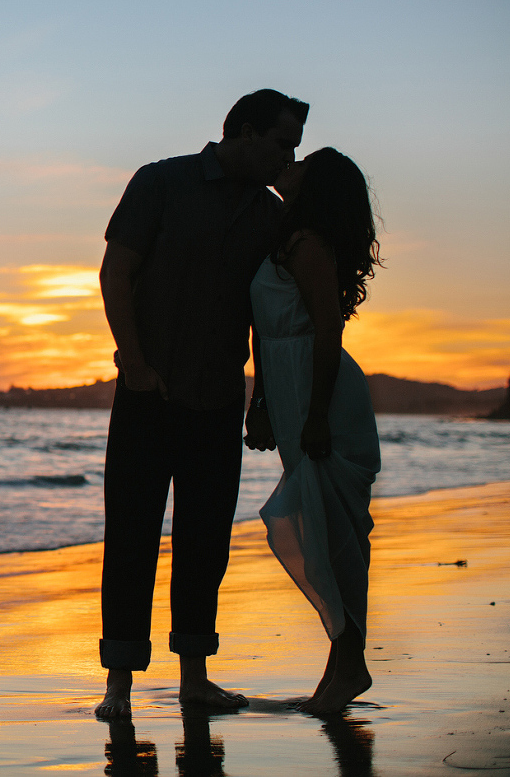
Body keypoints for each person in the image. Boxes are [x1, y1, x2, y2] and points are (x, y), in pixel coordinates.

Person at [96, 89, 308, 719]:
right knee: (130, 539)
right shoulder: (163, 181)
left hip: (218, 401)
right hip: (145, 394)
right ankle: (119, 687)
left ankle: (194, 679)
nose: (287, 157)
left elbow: (270, 317)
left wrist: (262, 400)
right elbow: (116, 271)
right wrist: (133, 362)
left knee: (205, 542)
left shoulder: (271, 216)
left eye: (293, 148)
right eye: (281, 143)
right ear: (244, 132)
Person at [244, 147, 382, 713]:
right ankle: (344, 663)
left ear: (315, 187)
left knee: (332, 532)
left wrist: (317, 414)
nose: (289, 165)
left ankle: (350, 663)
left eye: (302, 164)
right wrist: (262, 403)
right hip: (291, 387)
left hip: (318, 392)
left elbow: (328, 331)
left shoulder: (305, 245)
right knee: (326, 531)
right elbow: (263, 331)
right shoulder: (289, 237)